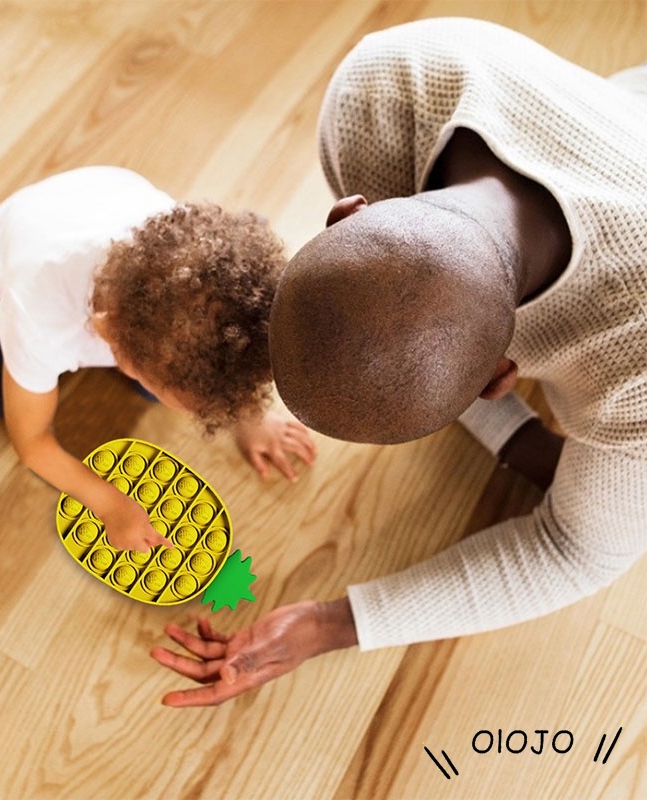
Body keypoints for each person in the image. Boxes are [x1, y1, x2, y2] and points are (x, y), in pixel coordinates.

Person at [151, 18, 646, 706]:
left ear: (502, 377)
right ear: (348, 211)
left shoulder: (638, 375)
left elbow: (578, 552)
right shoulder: (386, 88)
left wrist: (333, 624)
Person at [0, 166, 316, 553]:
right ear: (108, 332)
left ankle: (165, 382)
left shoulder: (184, 261)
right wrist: (109, 504)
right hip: (7, 260)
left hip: (87, 203)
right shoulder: (40, 315)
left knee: (177, 379)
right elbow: (32, 442)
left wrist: (247, 416)